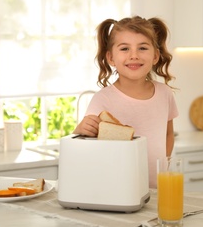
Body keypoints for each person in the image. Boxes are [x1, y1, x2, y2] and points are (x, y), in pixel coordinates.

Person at [73, 16, 178, 188]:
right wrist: (79, 130)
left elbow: (168, 134)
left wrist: (162, 168)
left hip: (156, 188)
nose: (134, 56)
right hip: (117, 187)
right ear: (111, 58)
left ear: (155, 56)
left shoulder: (165, 93)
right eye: (124, 49)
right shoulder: (102, 99)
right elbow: (85, 147)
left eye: (143, 48)